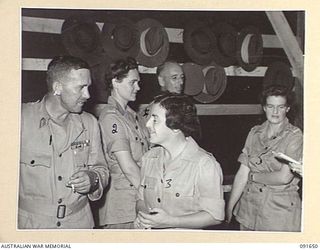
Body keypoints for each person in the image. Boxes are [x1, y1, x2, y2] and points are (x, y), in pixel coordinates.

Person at [18, 55, 109, 229]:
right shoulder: (21, 119)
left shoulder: (89, 123)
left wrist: (93, 179)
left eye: (88, 87)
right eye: (81, 88)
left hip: (79, 225)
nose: (87, 95)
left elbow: (102, 169)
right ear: (58, 88)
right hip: (33, 228)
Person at [135, 94, 225, 229]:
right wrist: (145, 217)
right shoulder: (149, 158)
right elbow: (140, 199)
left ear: (176, 127)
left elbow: (215, 216)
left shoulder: (204, 164)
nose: (147, 124)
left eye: (155, 120)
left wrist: (171, 221)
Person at [226, 85, 303, 231]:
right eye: (270, 106)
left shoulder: (294, 136)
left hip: (278, 214)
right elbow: (242, 173)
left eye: (280, 107)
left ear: (287, 109)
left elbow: (284, 177)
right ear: (264, 108)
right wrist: (229, 208)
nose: (275, 112)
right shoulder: (254, 133)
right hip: (247, 212)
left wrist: (253, 176)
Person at [98, 57, 149, 229]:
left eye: (138, 82)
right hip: (121, 211)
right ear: (115, 82)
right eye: (133, 82)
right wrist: (152, 196)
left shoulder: (133, 117)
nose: (138, 87)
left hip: (137, 202)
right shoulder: (111, 119)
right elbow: (127, 166)